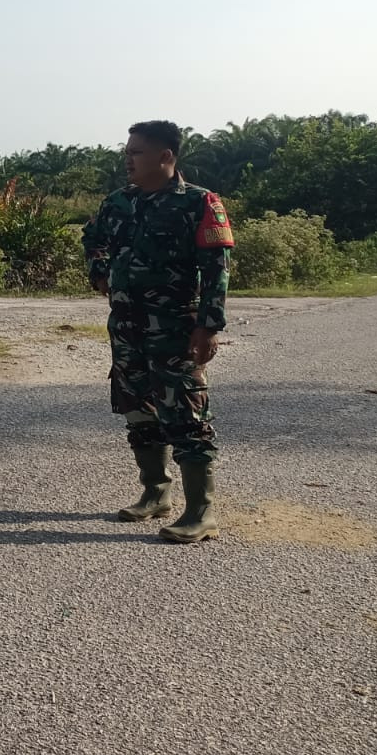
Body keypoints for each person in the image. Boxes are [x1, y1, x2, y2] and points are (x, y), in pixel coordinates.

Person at [81, 121, 234, 543]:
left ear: (166, 156)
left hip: (175, 327)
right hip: (127, 325)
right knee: (137, 407)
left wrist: (208, 326)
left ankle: (201, 511)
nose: (128, 159)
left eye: (137, 152)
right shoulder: (119, 202)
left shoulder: (199, 203)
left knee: (186, 411)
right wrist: (99, 270)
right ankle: (155, 492)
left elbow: (216, 269)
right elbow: (93, 239)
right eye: (127, 151)